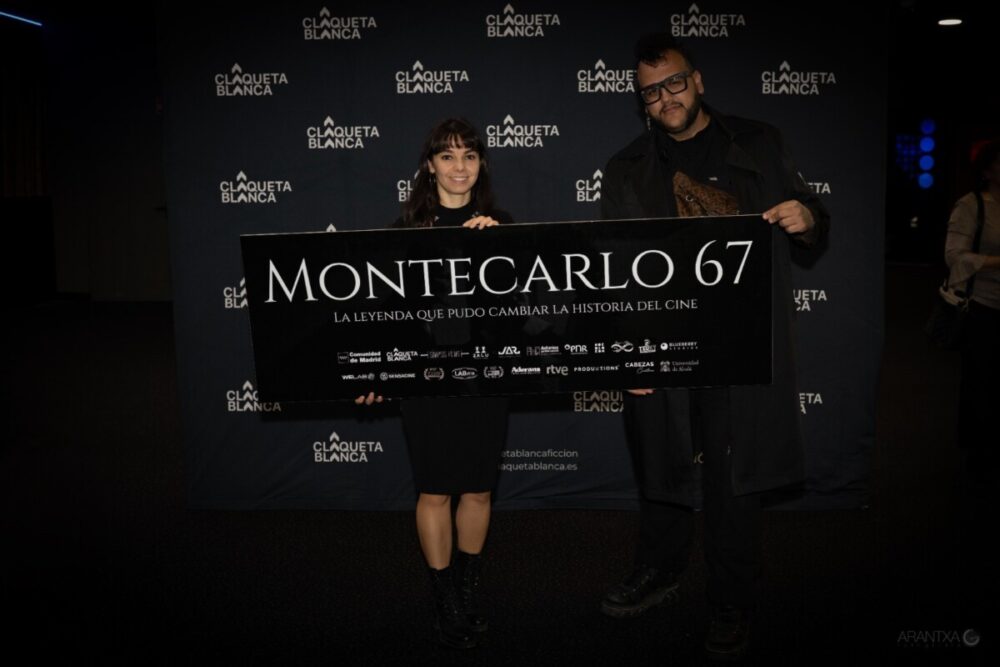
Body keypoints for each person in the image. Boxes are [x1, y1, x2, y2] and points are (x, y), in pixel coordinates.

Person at [598, 33, 830, 659]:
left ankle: (732, 596)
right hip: (665, 340)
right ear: (642, 100)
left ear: (697, 81)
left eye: (674, 83)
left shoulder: (758, 141)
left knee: (735, 476)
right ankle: (660, 568)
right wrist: (629, 353)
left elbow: (812, 214)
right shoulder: (625, 167)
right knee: (662, 464)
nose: (665, 98)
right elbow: (613, 270)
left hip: (739, 341)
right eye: (651, 91)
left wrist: (808, 218)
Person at [356, 117, 512, 649]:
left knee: (479, 488)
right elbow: (381, 316)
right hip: (425, 378)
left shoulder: (503, 227)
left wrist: (499, 250)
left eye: (469, 155)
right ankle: (444, 597)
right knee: (435, 489)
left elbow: (523, 312)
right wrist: (377, 370)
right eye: (447, 156)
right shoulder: (402, 232)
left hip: (485, 376)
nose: (459, 167)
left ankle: (467, 589)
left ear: (481, 164)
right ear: (430, 166)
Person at [946, 139, 1000, 476]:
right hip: (983, 306)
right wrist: (996, 262)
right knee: (982, 382)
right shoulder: (971, 205)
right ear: (986, 171)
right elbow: (954, 256)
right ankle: (979, 455)